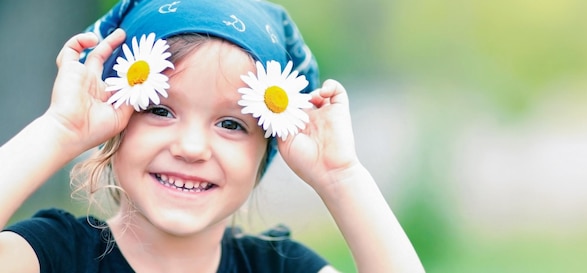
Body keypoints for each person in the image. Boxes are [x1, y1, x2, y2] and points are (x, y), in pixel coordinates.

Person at [0, 0, 424, 272]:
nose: (191, 148)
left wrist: (341, 178)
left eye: (231, 124)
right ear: (116, 120)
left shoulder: (280, 269)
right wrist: (59, 132)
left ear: (267, 150)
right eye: (161, 110)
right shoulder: (51, 256)